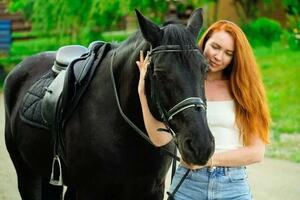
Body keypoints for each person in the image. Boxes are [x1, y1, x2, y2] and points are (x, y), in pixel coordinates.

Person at [136, 20, 271, 200]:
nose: (218, 56)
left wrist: (208, 161)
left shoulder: (245, 91)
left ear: (236, 57)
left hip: (233, 187)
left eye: (228, 53)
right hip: (188, 185)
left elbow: (256, 152)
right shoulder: (185, 86)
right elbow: (160, 139)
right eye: (215, 46)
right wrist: (142, 92)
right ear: (204, 41)